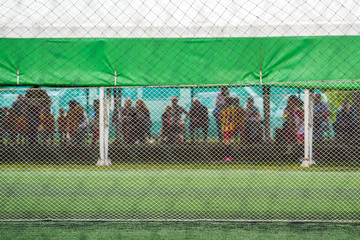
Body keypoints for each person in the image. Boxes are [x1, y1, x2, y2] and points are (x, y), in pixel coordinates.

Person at [219, 97, 235, 162]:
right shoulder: (224, 110)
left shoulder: (230, 110)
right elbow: (220, 117)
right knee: (227, 142)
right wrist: (224, 122)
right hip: (227, 127)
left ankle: (228, 157)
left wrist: (225, 122)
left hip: (229, 127)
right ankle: (228, 157)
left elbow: (231, 117)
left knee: (227, 142)